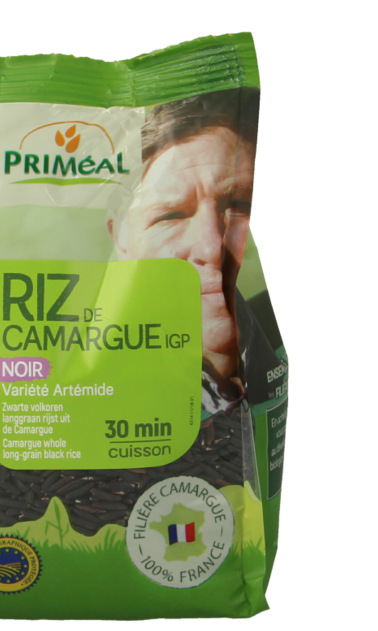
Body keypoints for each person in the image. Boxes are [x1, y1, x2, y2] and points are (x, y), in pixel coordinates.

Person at [107, 88, 283, 416]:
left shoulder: (275, 340)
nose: (212, 246)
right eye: (171, 215)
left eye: (236, 205)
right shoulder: (69, 388)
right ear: (121, 239)